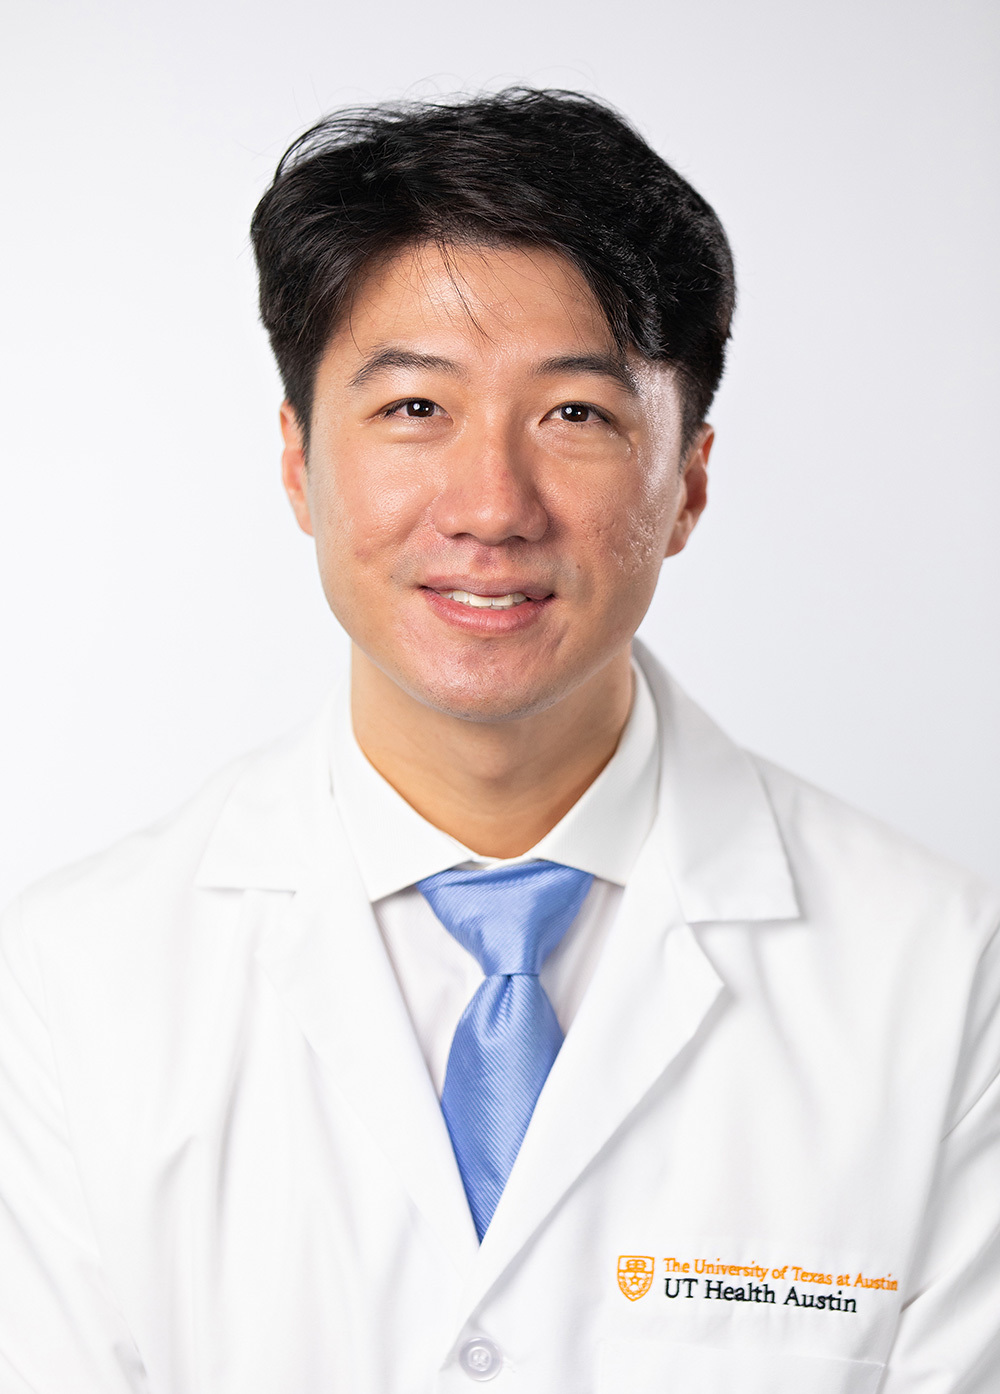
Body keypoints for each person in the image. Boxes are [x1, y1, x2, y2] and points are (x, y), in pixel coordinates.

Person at [0, 88, 997, 1394]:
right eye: (415, 408)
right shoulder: (71, 987)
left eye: (574, 415)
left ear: (687, 480)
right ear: (299, 463)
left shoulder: (941, 979)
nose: (490, 504)